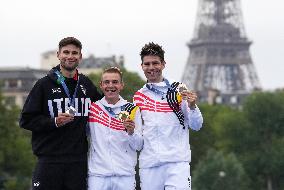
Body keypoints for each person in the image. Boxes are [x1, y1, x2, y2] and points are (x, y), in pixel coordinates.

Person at [19, 37, 102, 190]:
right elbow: (26, 120)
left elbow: (104, 108)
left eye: (74, 53)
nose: (70, 56)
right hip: (49, 161)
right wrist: (54, 122)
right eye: (66, 52)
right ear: (58, 55)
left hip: (78, 163)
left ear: (80, 57)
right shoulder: (43, 84)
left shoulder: (86, 84)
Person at [133, 42, 203, 190]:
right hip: (149, 165)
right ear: (142, 66)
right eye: (147, 64)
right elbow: (138, 140)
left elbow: (196, 125)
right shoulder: (138, 96)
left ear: (163, 64)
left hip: (177, 164)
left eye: (155, 63)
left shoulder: (179, 89)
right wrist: (129, 131)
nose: (151, 68)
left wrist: (192, 106)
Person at [87, 67, 143, 190]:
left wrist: (131, 132)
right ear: (101, 85)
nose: (110, 85)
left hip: (125, 176)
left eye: (115, 82)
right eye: (107, 82)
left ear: (122, 85)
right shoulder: (92, 108)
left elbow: (139, 146)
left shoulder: (132, 109)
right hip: (98, 175)